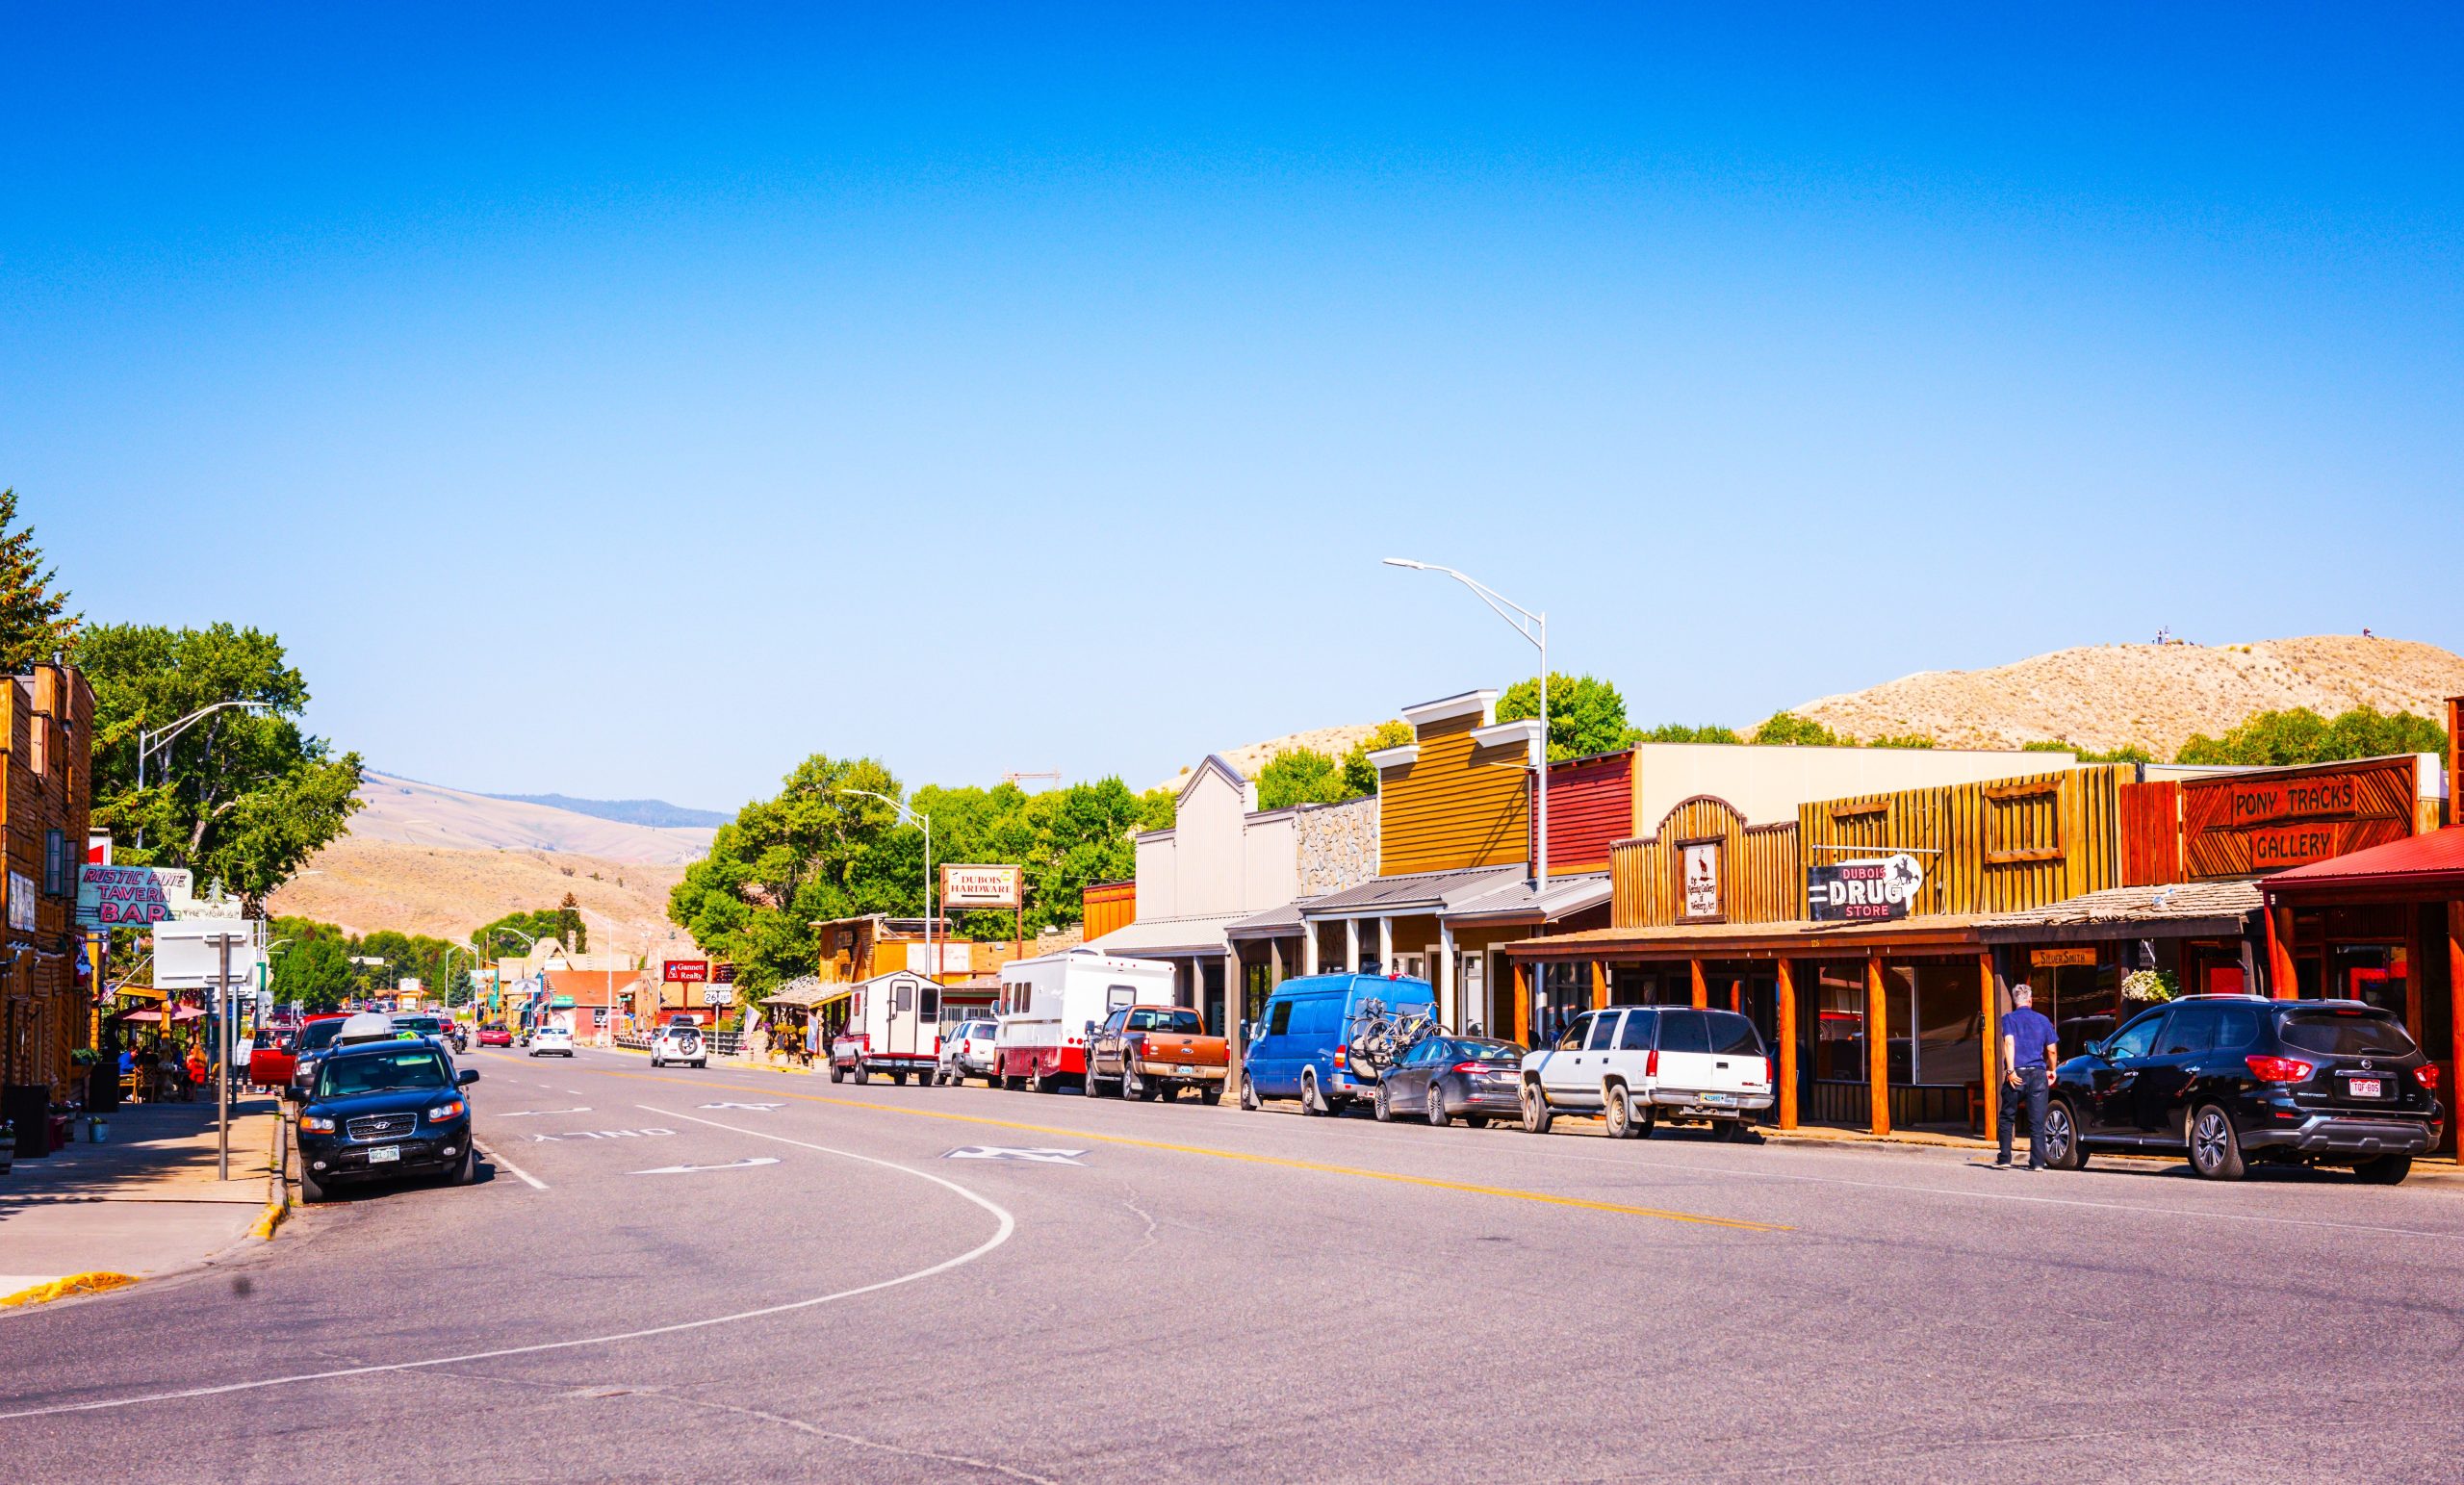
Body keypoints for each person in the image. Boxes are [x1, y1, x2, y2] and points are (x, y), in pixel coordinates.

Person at [1997, 986, 2061, 1169]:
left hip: (2017, 1073)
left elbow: (2009, 1042)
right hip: (2038, 1073)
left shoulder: (2008, 1018)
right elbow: (2051, 1050)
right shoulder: (2043, 1020)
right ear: (2030, 1000)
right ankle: (2037, 1162)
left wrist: (2010, 1071)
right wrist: (2052, 1069)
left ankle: (2005, 1159)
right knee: (2037, 1120)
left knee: (2007, 1116)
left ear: (2015, 1001)